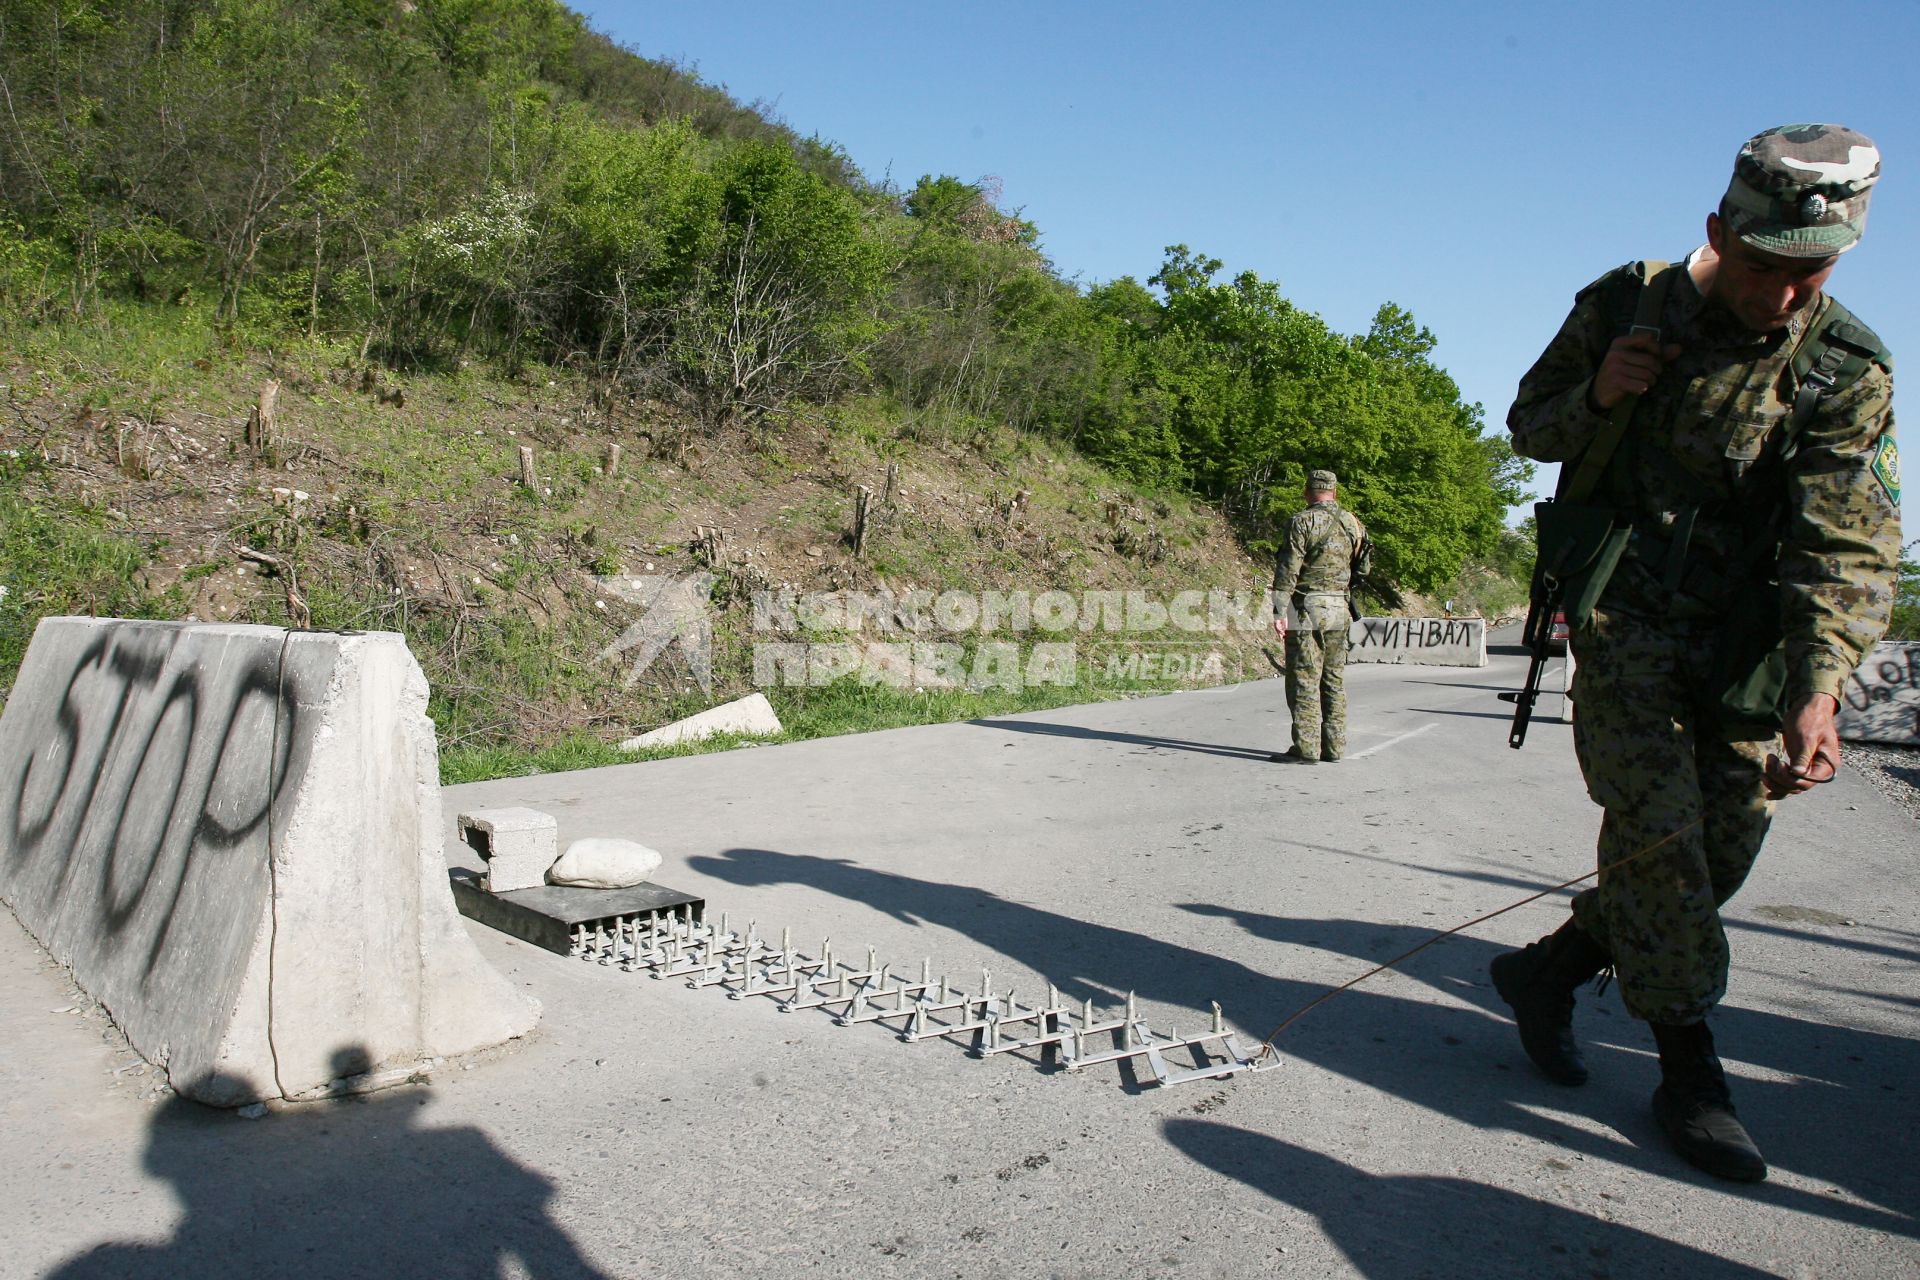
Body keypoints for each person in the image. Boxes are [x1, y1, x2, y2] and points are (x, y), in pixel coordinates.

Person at [1493, 124, 1900, 1182]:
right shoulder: (1627, 304)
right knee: (1662, 835)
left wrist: (1822, 683)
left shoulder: (1846, 367)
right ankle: (1690, 1069)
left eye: (1807, 273)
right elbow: (1528, 427)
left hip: (1747, 645)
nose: (1780, 295)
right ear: (1721, 233)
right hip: (1625, 614)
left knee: (1720, 848)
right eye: (1763, 266)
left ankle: (1552, 969)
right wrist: (1600, 397)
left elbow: (1843, 533)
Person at [1270, 469, 1371, 763]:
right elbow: (1363, 569)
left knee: (1304, 678)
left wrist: (1278, 610)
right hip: (1340, 608)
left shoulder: (1302, 522)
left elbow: (1288, 569)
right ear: (1334, 492)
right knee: (1333, 680)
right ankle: (1335, 747)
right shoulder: (1353, 523)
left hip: (1306, 608)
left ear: (1307, 491)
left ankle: (1306, 748)